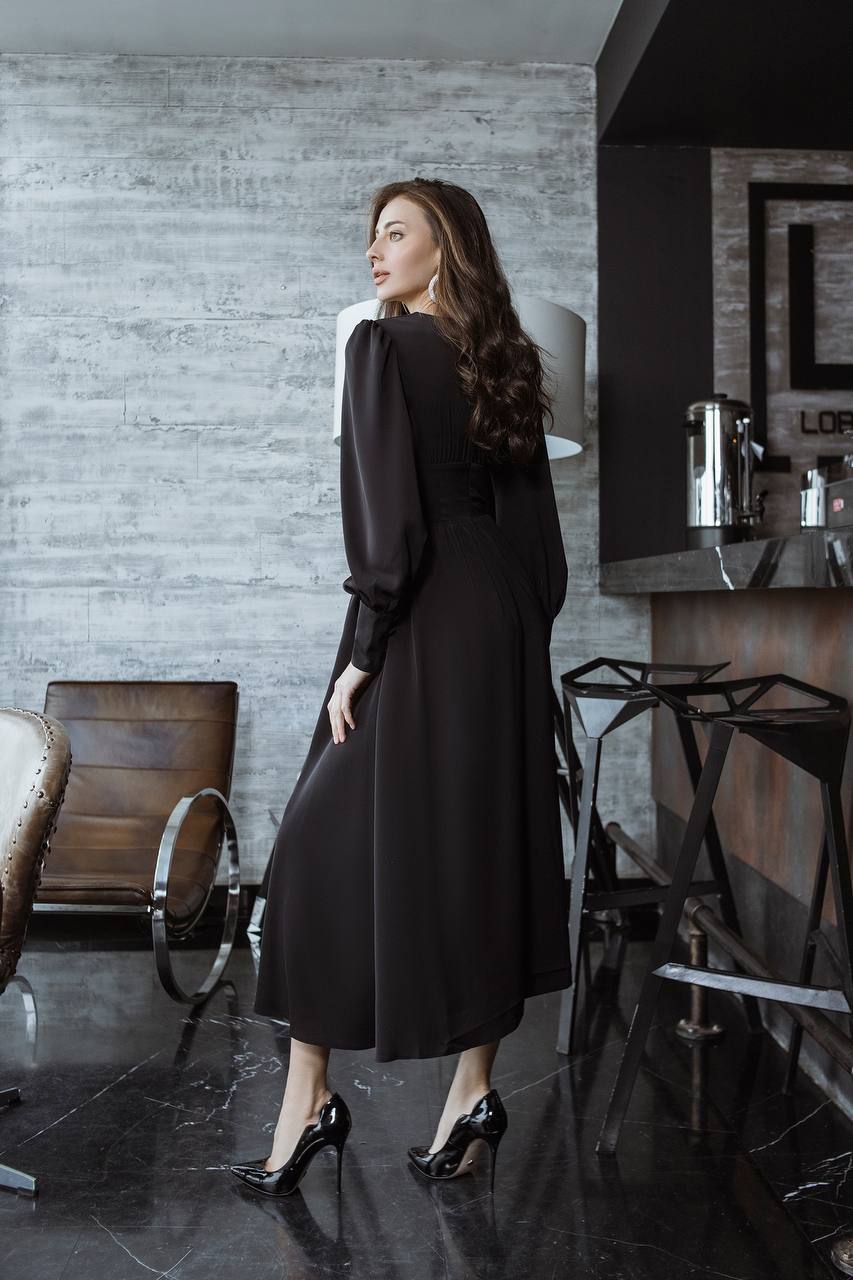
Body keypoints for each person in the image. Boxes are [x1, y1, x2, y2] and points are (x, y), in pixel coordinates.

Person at [230, 178, 571, 1198]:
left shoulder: (378, 347)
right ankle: (467, 1091)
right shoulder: (502, 362)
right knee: (480, 845)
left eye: (394, 232)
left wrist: (366, 646)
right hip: (501, 623)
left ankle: (310, 1103)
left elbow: (388, 532)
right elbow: (541, 552)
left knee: (315, 844)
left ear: (445, 245)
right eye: (369, 235)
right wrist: (510, 635)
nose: (373, 252)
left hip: (417, 613)